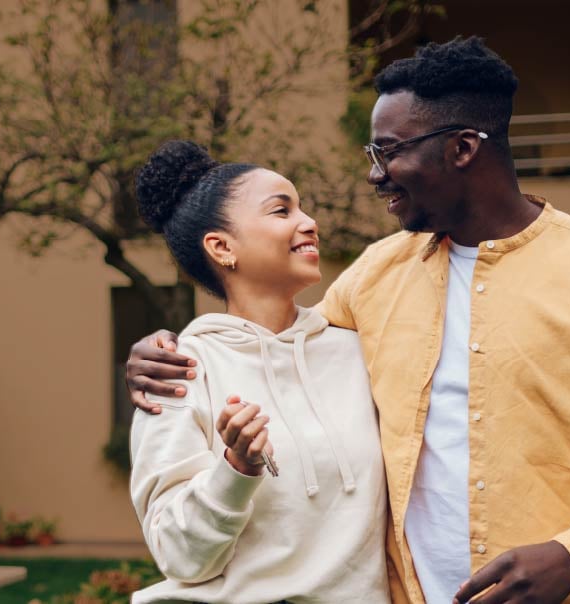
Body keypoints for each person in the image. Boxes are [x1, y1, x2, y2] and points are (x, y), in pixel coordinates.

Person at [125, 38, 570, 604]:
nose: (373, 173)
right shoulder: (373, 278)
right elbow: (278, 344)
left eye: (388, 152)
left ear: (462, 148)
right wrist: (162, 354)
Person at [127, 140, 391, 603]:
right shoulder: (177, 373)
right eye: (281, 211)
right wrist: (236, 470)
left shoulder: (359, 350)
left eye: (302, 208)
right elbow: (178, 556)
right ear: (222, 247)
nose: (309, 222)